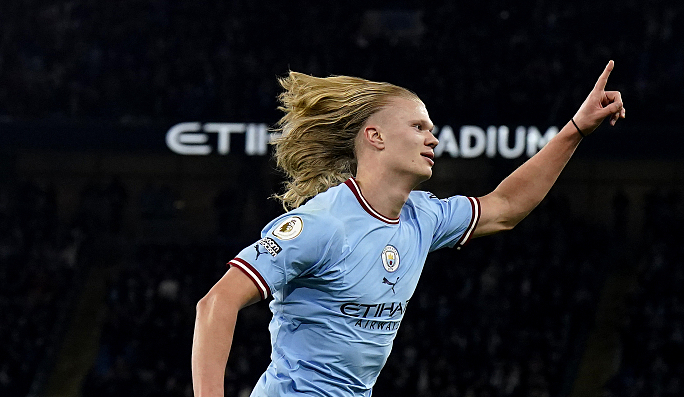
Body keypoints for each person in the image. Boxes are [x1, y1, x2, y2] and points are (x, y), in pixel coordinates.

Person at [192, 62, 626, 397]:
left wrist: (574, 131)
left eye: (432, 130)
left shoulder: (423, 217)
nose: (432, 139)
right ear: (375, 136)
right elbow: (216, 304)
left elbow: (506, 207)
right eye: (419, 127)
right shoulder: (321, 226)